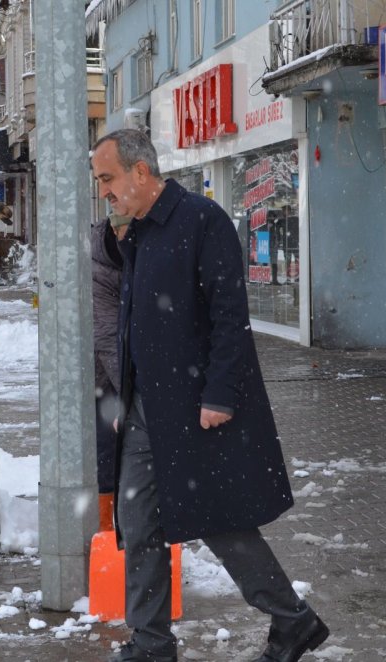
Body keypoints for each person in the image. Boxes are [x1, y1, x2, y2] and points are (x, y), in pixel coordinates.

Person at [90, 129, 328, 662]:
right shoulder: (138, 232)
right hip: (146, 410)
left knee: (219, 521)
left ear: (141, 173)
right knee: (138, 523)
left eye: (108, 179)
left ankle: (293, 619)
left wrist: (219, 393)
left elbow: (229, 316)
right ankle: (152, 643)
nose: (104, 191)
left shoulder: (202, 220)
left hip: (195, 407)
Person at [92, 213, 129, 531]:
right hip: (103, 382)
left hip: (116, 378)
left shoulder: (119, 263)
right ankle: (107, 531)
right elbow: (107, 341)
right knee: (107, 453)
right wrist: (133, 395)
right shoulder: (99, 272)